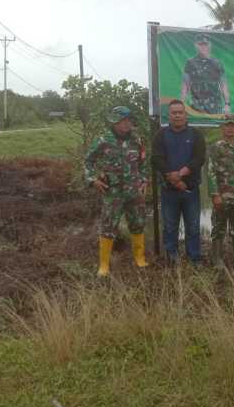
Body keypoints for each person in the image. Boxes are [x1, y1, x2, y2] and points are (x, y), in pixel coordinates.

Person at [84, 106, 148, 276]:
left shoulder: (137, 140)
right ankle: (104, 265)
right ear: (114, 122)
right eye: (122, 121)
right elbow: (88, 161)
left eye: (128, 120)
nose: (126, 124)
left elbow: (143, 163)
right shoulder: (103, 140)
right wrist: (92, 179)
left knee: (138, 224)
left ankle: (139, 259)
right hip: (112, 193)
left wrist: (143, 180)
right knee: (108, 227)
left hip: (134, 192)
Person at [153, 99, 206, 265]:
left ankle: (194, 257)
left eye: (180, 112)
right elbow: (156, 159)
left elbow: (199, 159)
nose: (177, 115)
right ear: (169, 115)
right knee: (169, 226)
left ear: (185, 114)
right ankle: (172, 258)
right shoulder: (160, 135)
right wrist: (174, 179)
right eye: (174, 113)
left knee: (193, 226)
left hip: (190, 190)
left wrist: (182, 174)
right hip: (169, 190)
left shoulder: (196, 134)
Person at [207, 114, 234, 268]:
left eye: (233, 125)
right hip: (222, 196)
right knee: (219, 228)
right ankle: (217, 259)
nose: (230, 128)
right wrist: (215, 194)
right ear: (222, 128)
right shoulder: (215, 147)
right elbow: (210, 172)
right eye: (227, 125)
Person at [180, 33, 231, 115]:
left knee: (215, 127)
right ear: (196, 45)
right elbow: (185, 85)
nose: (203, 47)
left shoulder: (217, 63)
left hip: (215, 106)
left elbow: (223, 86)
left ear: (210, 45)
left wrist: (227, 104)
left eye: (206, 44)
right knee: (197, 126)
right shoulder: (190, 63)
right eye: (200, 44)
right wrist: (182, 103)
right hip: (196, 106)